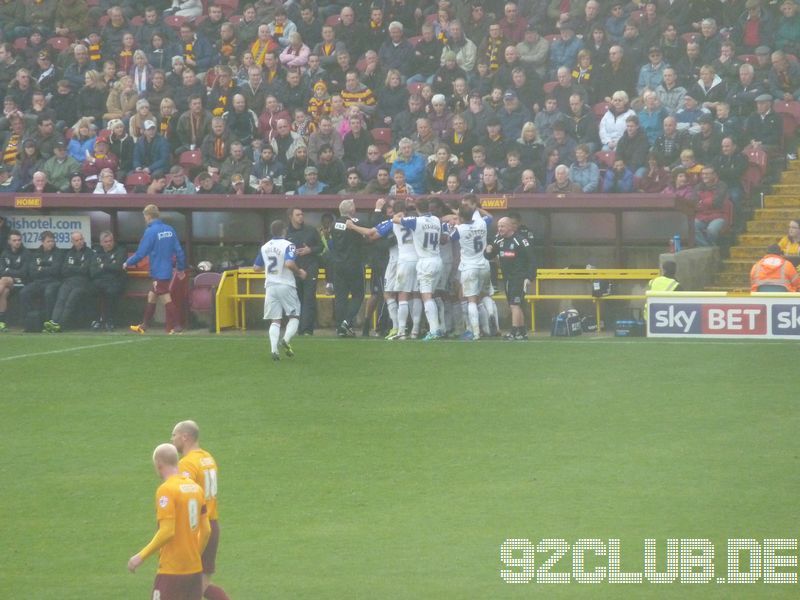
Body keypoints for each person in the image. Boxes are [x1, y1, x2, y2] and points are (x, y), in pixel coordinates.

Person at [127, 443, 210, 600]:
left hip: (172, 571)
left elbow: (167, 531)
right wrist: (193, 555)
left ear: (159, 464)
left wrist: (140, 556)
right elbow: (206, 531)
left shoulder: (166, 490)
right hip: (194, 570)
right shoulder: (196, 489)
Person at [171, 420, 231, 600]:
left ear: (185, 437)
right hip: (213, 524)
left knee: (187, 585)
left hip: (197, 528)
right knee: (201, 583)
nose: (172, 440)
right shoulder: (208, 458)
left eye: (174, 435)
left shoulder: (187, 464)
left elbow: (186, 497)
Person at [125, 204, 187, 334]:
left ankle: (177, 326)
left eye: (145, 217)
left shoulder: (150, 231)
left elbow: (141, 253)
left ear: (148, 216)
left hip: (158, 271)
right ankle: (144, 325)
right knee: (152, 296)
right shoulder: (170, 229)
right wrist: (180, 268)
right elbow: (179, 251)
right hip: (167, 270)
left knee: (165, 298)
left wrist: (128, 263)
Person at [253, 219, 307, 360]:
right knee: (294, 316)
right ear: (284, 230)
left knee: (275, 320)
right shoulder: (289, 245)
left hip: (270, 286)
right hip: (286, 284)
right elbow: (289, 263)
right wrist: (300, 272)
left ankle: (274, 350)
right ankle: (286, 340)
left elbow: (256, 268)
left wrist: (272, 269)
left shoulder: (265, 247)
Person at [392, 197, 444, 340]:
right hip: (437, 260)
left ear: (416, 208)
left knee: (426, 297)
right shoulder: (436, 220)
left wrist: (406, 208)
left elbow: (395, 219)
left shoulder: (415, 221)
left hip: (424, 261)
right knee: (427, 296)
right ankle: (425, 329)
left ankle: (434, 330)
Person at [484, 216, 536, 340]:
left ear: (510, 227)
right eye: (498, 226)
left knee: (515, 305)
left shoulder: (520, 241)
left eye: (502, 226)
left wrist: (530, 277)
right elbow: (489, 255)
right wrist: (488, 250)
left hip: (519, 277)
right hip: (508, 278)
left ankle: (513, 332)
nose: (500, 229)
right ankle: (522, 332)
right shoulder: (499, 240)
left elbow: (532, 260)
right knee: (515, 305)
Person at [449, 204, 492, 341]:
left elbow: (449, 238)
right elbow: (490, 217)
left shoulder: (459, 229)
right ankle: (487, 328)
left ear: (460, 217)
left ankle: (475, 332)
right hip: (484, 265)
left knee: (471, 301)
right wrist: (478, 209)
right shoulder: (481, 223)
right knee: (482, 297)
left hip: (470, 267)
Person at [45, 231, 94, 332]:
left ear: (83, 239)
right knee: (61, 298)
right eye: (77, 240)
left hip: (82, 282)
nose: (80, 242)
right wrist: (78, 267)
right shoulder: (69, 253)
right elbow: (64, 270)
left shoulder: (89, 253)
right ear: (72, 242)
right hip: (69, 280)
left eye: (81, 239)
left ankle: (61, 324)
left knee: (70, 300)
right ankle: (54, 322)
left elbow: (86, 270)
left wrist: (72, 267)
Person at [330, 198, 365, 337]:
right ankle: (346, 321)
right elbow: (366, 234)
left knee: (340, 297)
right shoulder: (355, 222)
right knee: (358, 295)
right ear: (352, 210)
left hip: (338, 264)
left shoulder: (333, 224)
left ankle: (340, 329)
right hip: (353, 264)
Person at [285, 207, 323, 336]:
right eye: (298, 215)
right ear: (291, 216)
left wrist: (310, 250)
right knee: (297, 299)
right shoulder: (286, 233)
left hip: (310, 267)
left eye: (302, 214)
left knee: (309, 298)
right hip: (294, 269)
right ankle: (298, 328)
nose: (301, 217)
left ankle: (307, 330)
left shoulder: (311, 230)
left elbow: (321, 247)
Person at [20, 230, 62, 329]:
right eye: (48, 241)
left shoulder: (58, 253)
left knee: (49, 293)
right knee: (24, 292)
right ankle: (33, 318)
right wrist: (47, 268)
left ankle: (48, 321)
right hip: (38, 281)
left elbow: (56, 270)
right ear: (42, 242)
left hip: (53, 281)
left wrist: (41, 268)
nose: (51, 243)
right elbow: (32, 271)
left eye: (52, 241)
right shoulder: (36, 254)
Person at [90, 230, 126, 332]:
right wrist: (109, 266)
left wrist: (103, 266)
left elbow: (118, 267)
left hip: (116, 280)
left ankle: (110, 320)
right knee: (90, 290)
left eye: (110, 241)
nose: (109, 243)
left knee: (111, 292)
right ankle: (96, 320)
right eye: (106, 241)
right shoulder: (96, 252)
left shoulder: (120, 250)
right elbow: (93, 270)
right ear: (101, 243)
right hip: (100, 280)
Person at [0, 229, 28, 331]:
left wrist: (9, 270)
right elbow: (1, 270)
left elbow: (24, 272)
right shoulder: (5, 253)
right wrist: (12, 271)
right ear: (9, 242)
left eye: (19, 240)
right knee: (4, 292)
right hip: (8, 282)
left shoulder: (26, 253)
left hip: (22, 282)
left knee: (4, 280)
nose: (17, 242)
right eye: (14, 240)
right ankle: (1, 322)